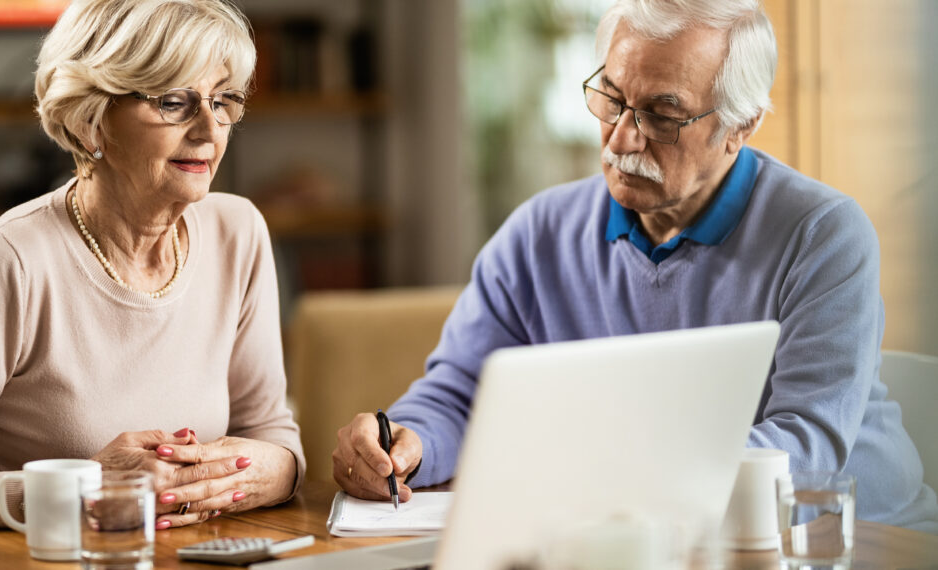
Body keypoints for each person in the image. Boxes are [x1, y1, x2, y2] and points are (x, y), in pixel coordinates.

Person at [332, 0, 938, 533]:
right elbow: (463, 393)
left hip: (855, 539)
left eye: (662, 115)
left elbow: (803, 450)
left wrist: (609, 478)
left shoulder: (822, 234)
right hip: (647, 541)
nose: (622, 138)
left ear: (741, 125)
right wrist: (406, 443)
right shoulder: (539, 233)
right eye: (612, 98)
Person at [0, 0, 304, 530]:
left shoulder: (238, 233)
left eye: (223, 100)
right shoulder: (10, 259)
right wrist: (73, 489)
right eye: (175, 102)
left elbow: (268, 431)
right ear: (92, 120)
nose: (209, 129)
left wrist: (278, 470)